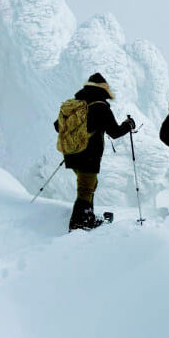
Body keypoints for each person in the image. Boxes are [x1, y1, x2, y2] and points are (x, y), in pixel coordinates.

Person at [54, 72, 134, 231]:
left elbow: (57, 126)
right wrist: (128, 125)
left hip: (71, 153)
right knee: (86, 188)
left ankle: (88, 217)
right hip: (88, 154)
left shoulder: (75, 103)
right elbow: (115, 132)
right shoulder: (100, 106)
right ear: (104, 90)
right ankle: (79, 223)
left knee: (88, 184)